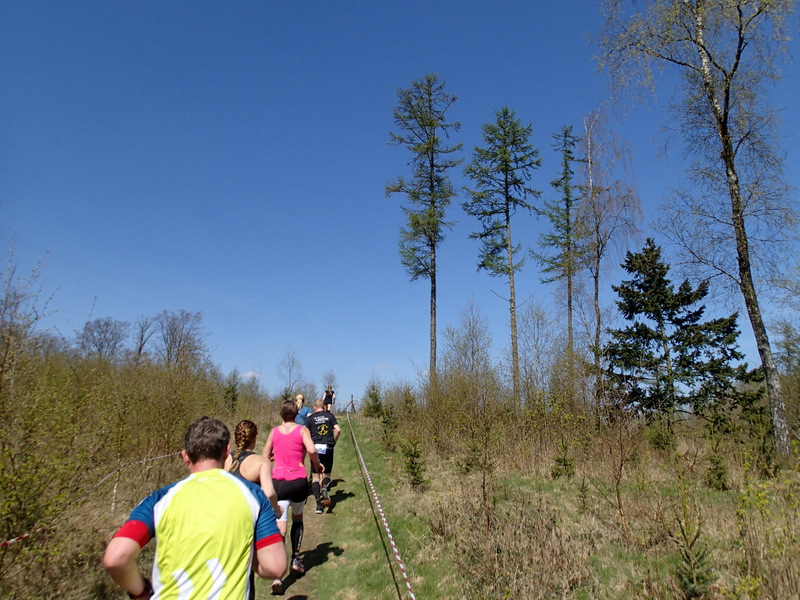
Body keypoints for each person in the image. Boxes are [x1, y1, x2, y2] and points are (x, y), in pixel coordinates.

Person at [103, 417, 285, 600]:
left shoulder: (160, 500)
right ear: (226, 452)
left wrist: (141, 591)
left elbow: (116, 557)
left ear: (185, 456)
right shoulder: (253, 495)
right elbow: (275, 566)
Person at [261, 400, 324, 595]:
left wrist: (273, 457)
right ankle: (296, 558)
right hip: (297, 481)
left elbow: (264, 456)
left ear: (281, 414)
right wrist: (318, 464)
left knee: (280, 525)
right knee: (298, 518)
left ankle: (277, 574)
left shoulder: (274, 432)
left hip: (279, 481)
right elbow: (312, 450)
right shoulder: (302, 430)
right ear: (296, 414)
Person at [225, 419, 282, 600]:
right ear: (256, 438)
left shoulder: (224, 459)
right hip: (246, 524)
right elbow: (269, 492)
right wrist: (276, 510)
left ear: (235, 438)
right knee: (245, 573)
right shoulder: (260, 462)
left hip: (222, 521)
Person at [306, 398, 341, 513]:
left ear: (314, 408)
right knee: (327, 474)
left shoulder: (310, 418)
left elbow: (305, 434)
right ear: (324, 407)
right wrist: (334, 441)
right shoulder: (330, 416)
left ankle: (318, 505)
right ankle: (325, 487)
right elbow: (338, 430)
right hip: (328, 447)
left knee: (315, 477)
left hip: (316, 448)